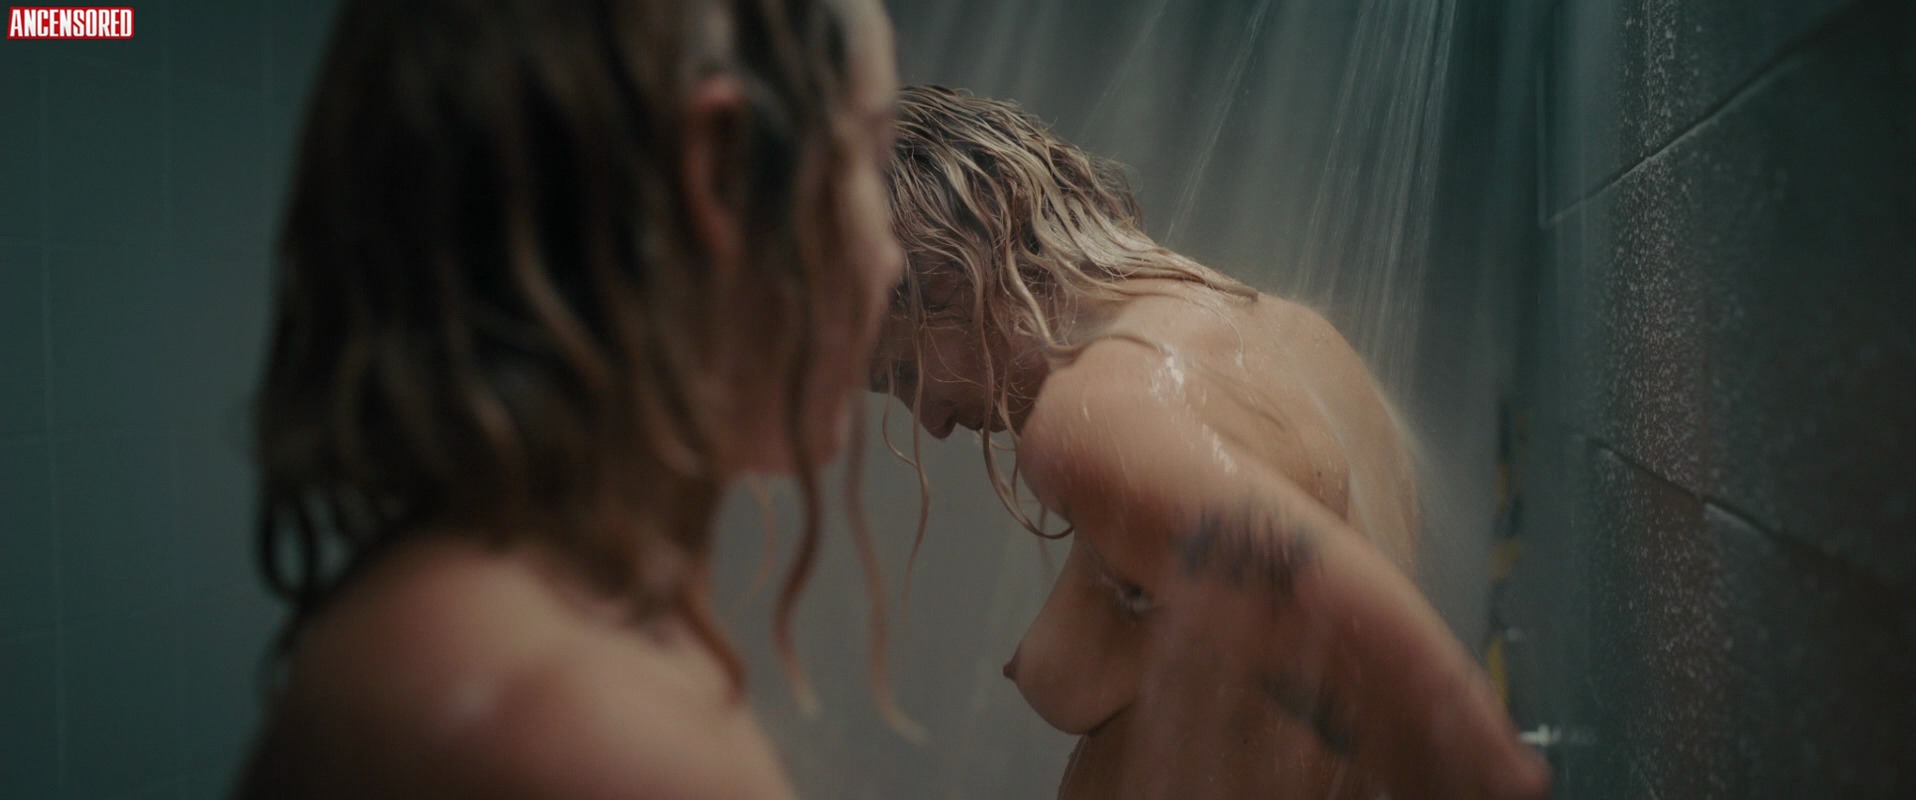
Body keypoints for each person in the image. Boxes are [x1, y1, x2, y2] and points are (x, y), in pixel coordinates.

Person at [235, 0, 904, 796]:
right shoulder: (592, 734)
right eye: (871, 153)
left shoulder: (443, 614)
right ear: (721, 171)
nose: (892, 257)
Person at [871, 85, 1551, 799]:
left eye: (903, 373)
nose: (932, 422)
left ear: (950, 265)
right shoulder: (1305, 341)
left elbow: (1446, 726)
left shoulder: (1102, 412)